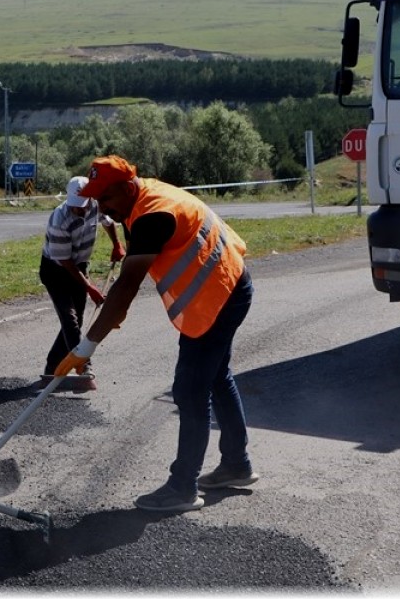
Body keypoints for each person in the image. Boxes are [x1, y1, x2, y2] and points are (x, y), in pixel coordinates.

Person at [54, 155, 256, 513]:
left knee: (190, 389)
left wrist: (86, 347)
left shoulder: (152, 216)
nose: (103, 208)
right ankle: (236, 465)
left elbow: (124, 290)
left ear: (128, 187)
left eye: (107, 199)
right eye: (97, 199)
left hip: (220, 293)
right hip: (228, 283)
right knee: (217, 377)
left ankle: (182, 487)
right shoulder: (143, 196)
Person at [39, 175, 124, 389]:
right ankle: (84, 366)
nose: (78, 210)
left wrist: (116, 244)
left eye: (82, 206)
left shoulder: (96, 204)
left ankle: (51, 368)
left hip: (79, 265)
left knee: (74, 321)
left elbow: (108, 222)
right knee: (70, 320)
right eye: (75, 206)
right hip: (56, 270)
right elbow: (65, 262)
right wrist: (90, 287)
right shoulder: (59, 220)